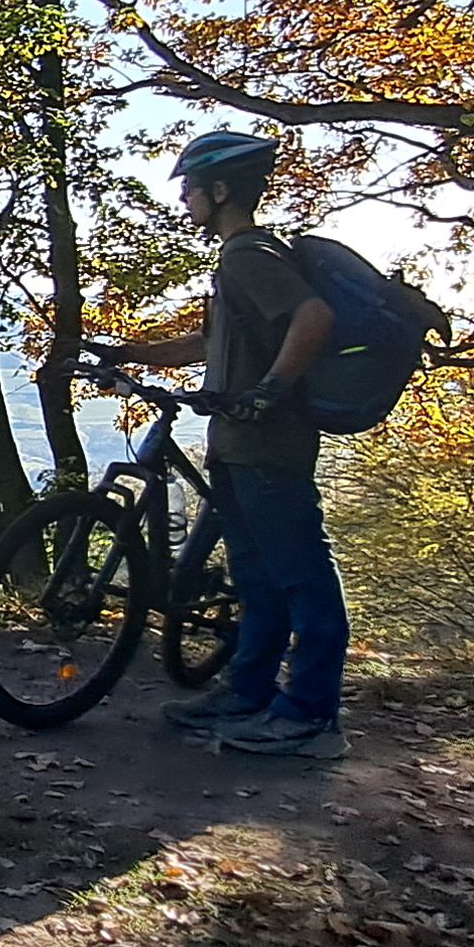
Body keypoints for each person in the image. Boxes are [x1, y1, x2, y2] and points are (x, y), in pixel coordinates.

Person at [93, 129, 351, 760]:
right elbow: (203, 345)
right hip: (236, 446)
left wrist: (269, 390)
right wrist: (127, 352)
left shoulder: (248, 255)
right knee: (257, 579)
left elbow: (314, 316)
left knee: (301, 578)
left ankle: (312, 719)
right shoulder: (237, 262)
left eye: (190, 188)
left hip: (269, 446)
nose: (184, 200)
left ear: (221, 189)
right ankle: (248, 695)